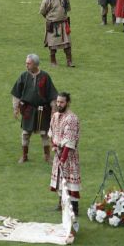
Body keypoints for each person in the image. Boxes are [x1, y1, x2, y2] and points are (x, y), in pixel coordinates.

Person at [11, 54, 59, 164]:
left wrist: (53, 110)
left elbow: (52, 94)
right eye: (26, 63)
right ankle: (24, 156)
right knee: (25, 133)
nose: (26, 65)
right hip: (28, 109)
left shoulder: (45, 76)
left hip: (43, 110)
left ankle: (47, 156)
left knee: (45, 134)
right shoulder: (23, 76)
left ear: (35, 64)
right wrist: (15, 108)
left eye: (29, 63)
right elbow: (16, 93)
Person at [49, 92, 81, 220]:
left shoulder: (72, 118)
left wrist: (63, 157)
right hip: (58, 153)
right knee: (60, 180)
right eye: (57, 102)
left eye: (61, 102)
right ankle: (61, 204)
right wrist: (54, 145)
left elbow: (69, 140)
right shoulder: (55, 116)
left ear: (67, 102)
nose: (59, 104)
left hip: (69, 155)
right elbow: (51, 132)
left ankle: (74, 208)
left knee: (70, 180)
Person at [40, 0, 74, 67]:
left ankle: (69, 61)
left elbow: (67, 9)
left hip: (64, 24)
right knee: (52, 45)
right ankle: (53, 62)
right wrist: (50, 19)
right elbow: (43, 11)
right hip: (53, 25)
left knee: (67, 44)